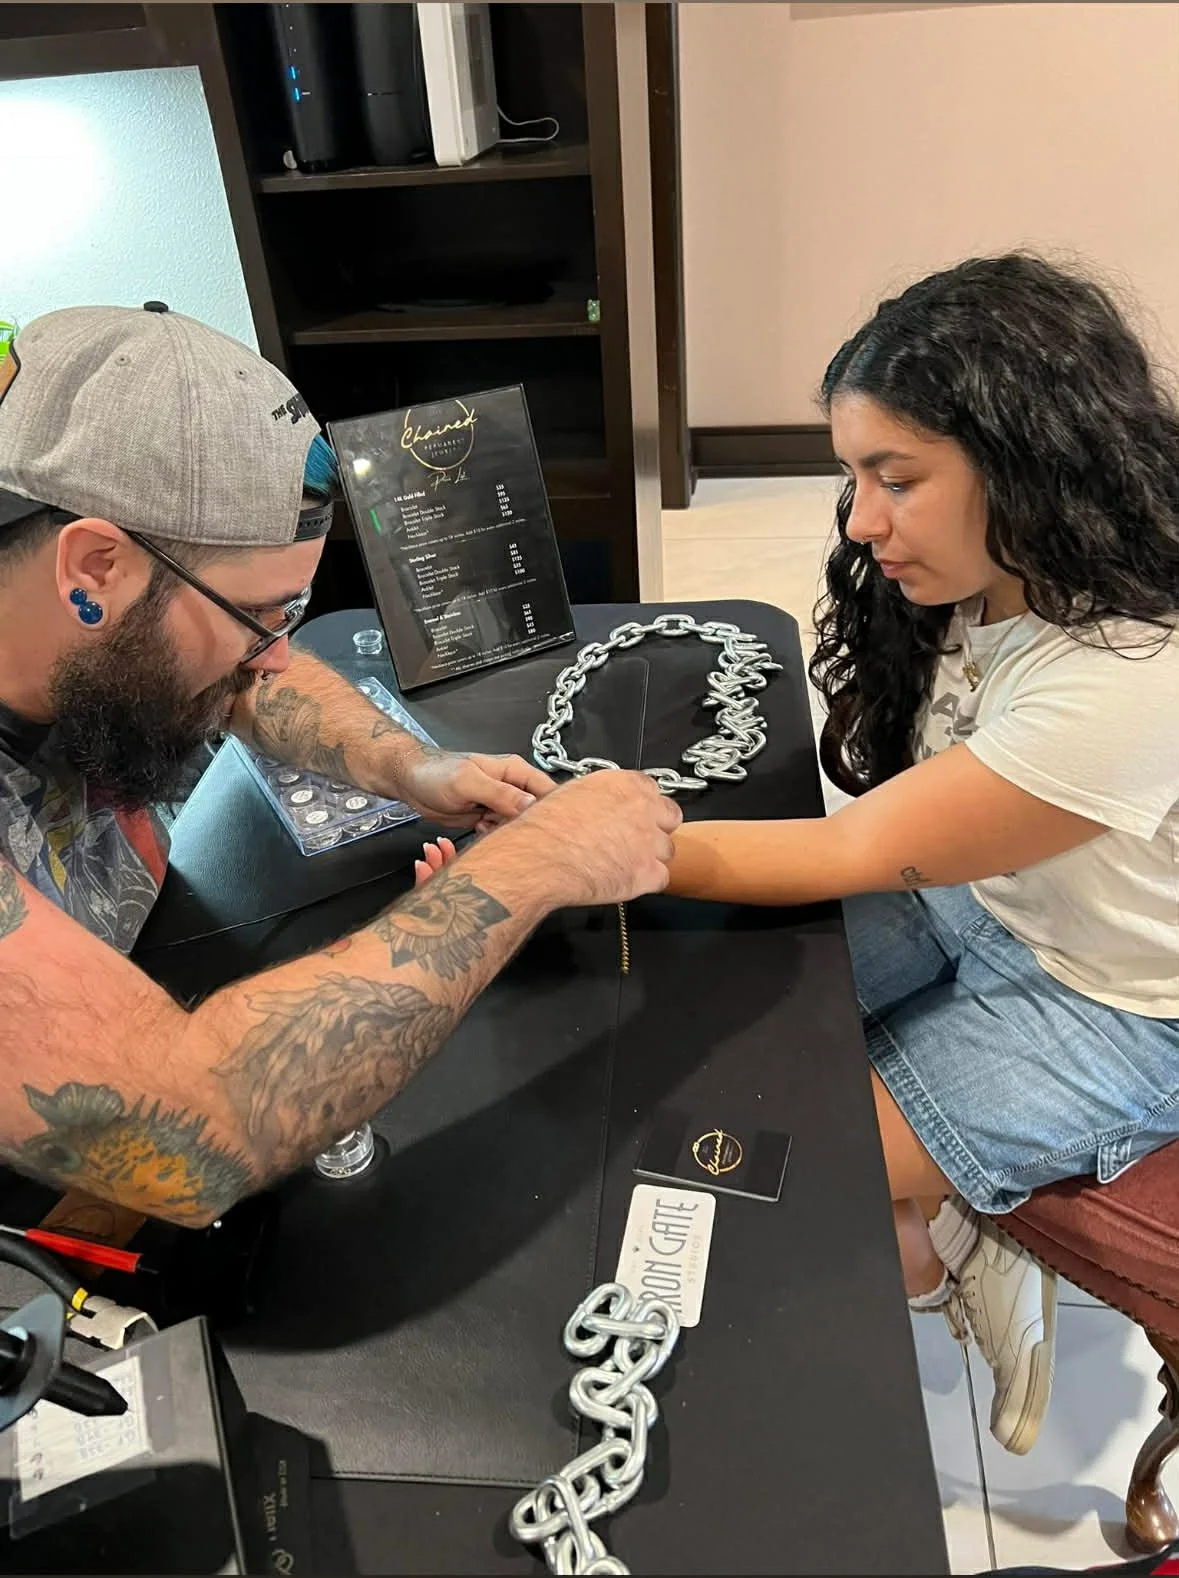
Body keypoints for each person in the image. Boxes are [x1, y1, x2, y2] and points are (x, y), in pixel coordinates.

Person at [422, 255, 1179, 1456]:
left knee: (780, 1156)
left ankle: (947, 1250)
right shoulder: (994, 579)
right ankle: (952, 1215)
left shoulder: (1134, 678)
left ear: (1035, 461)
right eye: (852, 476)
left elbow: (856, 847)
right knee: (716, 1015)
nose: (862, 521)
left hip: (1109, 1003)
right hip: (982, 902)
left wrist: (570, 851)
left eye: (897, 479)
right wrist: (568, 842)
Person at [0, 303, 681, 1230]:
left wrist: (412, 768)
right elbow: (188, 1135)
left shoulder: (82, 624)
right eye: (259, 617)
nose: (278, 655)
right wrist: (529, 869)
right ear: (95, 565)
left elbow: (232, 681)